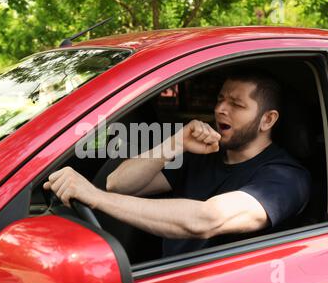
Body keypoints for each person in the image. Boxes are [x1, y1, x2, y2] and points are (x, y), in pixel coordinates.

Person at [43, 69, 311, 257]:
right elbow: (118, 184)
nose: (220, 109)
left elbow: (206, 220)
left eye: (237, 104)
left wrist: (93, 196)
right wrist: (175, 143)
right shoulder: (202, 155)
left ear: (268, 120)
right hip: (171, 279)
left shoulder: (285, 179)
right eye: (220, 99)